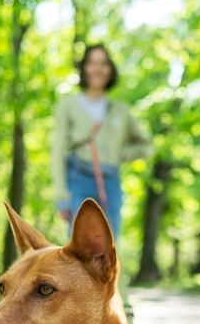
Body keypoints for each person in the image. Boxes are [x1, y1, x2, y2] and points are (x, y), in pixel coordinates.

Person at [50, 44, 153, 241]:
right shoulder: (68, 106)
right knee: (78, 245)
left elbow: (147, 145)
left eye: (103, 63)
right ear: (84, 68)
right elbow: (57, 152)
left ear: (110, 69)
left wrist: (119, 155)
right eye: (92, 62)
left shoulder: (120, 111)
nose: (97, 68)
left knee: (110, 244)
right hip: (78, 178)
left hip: (110, 182)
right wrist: (61, 196)